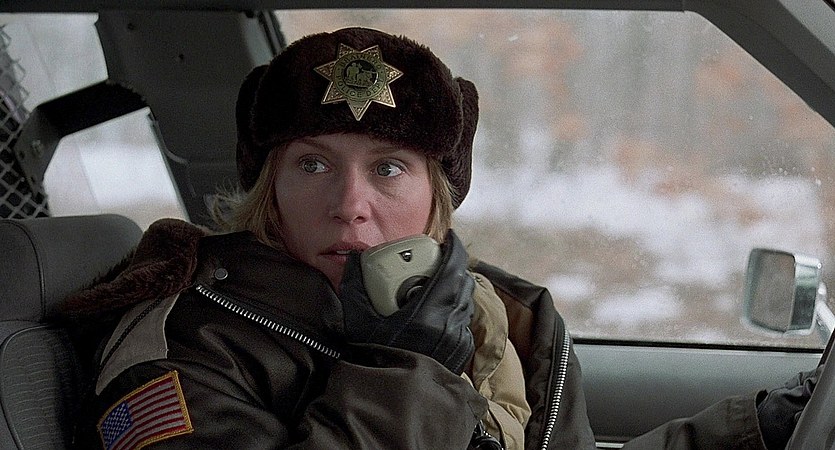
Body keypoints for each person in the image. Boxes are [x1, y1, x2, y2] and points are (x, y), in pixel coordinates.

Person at [63, 27, 817, 450]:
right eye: (313, 164)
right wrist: (406, 371)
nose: (351, 206)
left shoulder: (496, 315)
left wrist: (755, 431)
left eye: (388, 168)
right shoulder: (186, 341)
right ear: (271, 188)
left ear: (438, 194)